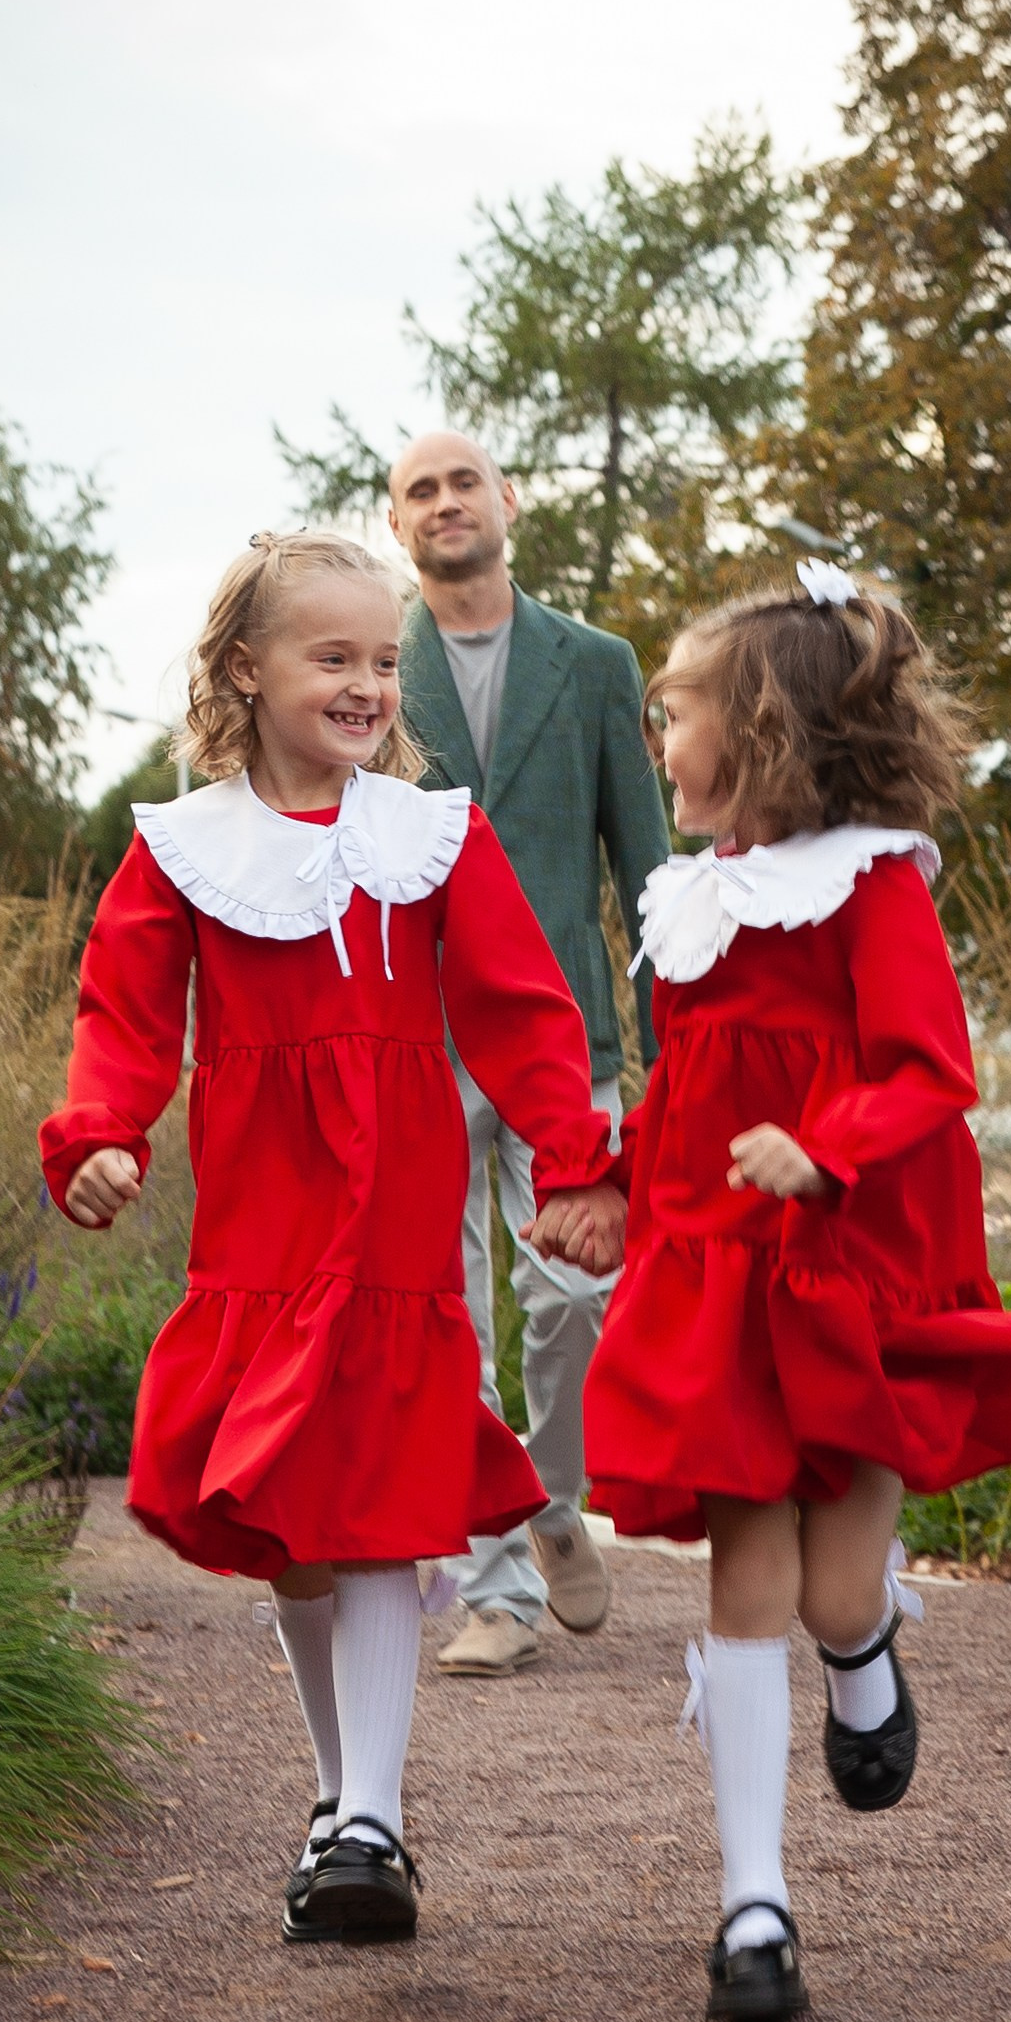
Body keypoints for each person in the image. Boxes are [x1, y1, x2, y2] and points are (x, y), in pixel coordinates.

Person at [40, 531, 626, 1947]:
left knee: (369, 1506)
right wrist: (103, 1134)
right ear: (247, 670)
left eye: (383, 661)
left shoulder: (429, 832)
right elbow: (125, 1016)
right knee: (297, 1532)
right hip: (260, 1225)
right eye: (334, 657)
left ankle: (369, 1821)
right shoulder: (183, 847)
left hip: (396, 1227)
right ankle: (335, 1792)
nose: (368, 684)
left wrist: (574, 1156)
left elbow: (522, 1006)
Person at [579, 565, 1011, 2022]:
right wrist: (609, 1179)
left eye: (676, 714)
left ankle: (866, 1656)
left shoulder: (873, 883)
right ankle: (753, 1908)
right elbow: (680, 1086)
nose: (660, 741)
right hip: (713, 1271)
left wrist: (822, 1147)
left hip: (843, 1267)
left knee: (836, 1591)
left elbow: (930, 1072)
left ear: (762, 729)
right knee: (744, 1580)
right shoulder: (692, 897)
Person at [387, 431, 670, 1676]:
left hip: (568, 1038)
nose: (446, 504)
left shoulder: (597, 666)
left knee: (573, 1298)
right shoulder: (374, 666)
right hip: (416, 1039)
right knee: (449, 1311)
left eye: (464, 482)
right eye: (419, 490)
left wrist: (672, 1044)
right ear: (397, 525)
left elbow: (646, 863)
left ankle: (551, 1504)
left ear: (510, 501)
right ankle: (498, 1589)